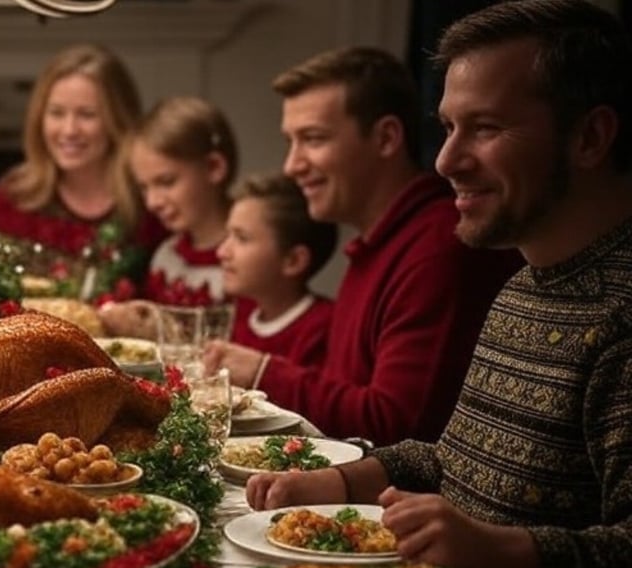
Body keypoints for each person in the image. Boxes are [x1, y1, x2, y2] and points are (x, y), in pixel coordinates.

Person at [248, 0, 632, 568]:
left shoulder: (622, 314)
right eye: (449, 128)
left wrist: (503, 550)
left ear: (591, 137)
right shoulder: (524, 284)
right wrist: (337, 481)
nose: (449, 159)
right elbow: (451, 458)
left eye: (484, 128)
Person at [203, 46, 522, 446]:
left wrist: (265, 371)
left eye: (313, 139)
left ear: (386, 137)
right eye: (291, 142)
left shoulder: (439, 246)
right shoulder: (376, 244)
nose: (292, 165)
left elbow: (396, 429)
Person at [0, 44, 165, 303]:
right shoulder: (16, 192)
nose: (69, 130)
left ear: (117, 119)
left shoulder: (148, 200)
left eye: (87, 114)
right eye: (57, 113)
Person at [126, 96, 238, 307]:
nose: (152, 202)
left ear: (214, 167)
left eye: (166, 182)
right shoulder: (167, 256)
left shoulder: (249, 258)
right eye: (144, 187)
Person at [218, 173, 336, 367]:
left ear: (293, 261)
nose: (222, 252)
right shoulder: (241, 316)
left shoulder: (323, 330)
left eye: (242, 238)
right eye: (228, 235)